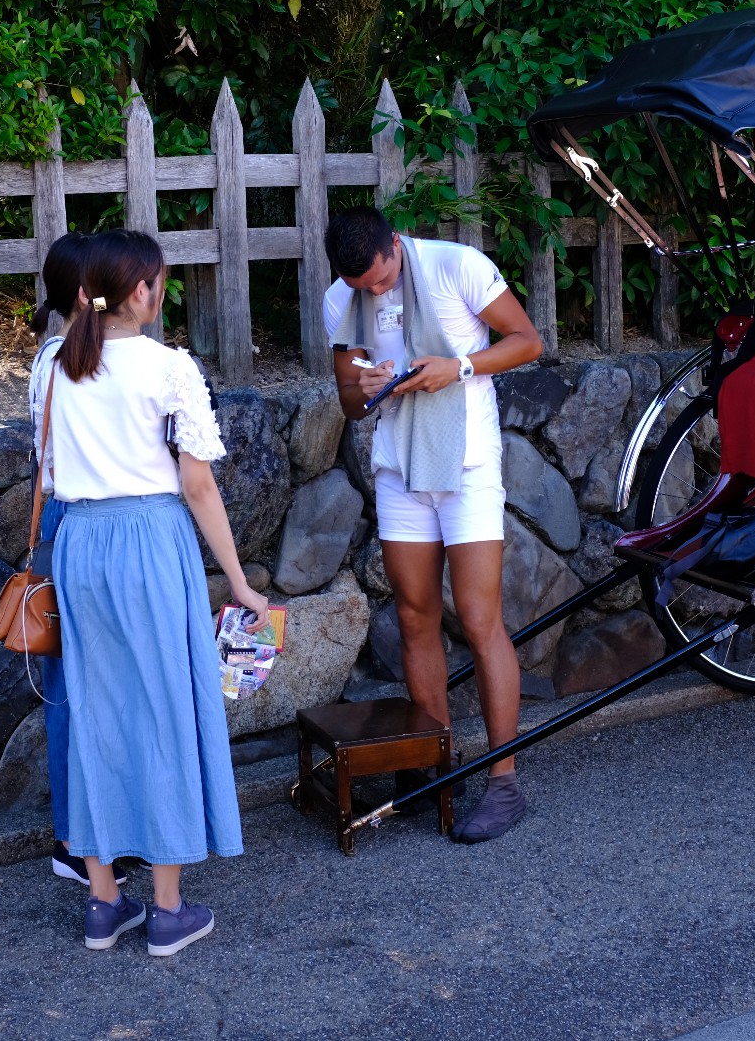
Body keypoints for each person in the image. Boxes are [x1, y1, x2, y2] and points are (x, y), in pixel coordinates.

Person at [35, 228, 270, 956]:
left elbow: (47, 471)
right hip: (148, 539)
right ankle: (167, 909)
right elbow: (197, 484)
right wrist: (238, 579)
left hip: (80, 544)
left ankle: (104, 902)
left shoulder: (51, 362)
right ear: (140, 289)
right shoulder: (168, 367)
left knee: (95, 710)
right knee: (166, 708)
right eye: (157, 280)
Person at [323, 206, 543, 843]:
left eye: (381, 279)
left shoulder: (456, 267)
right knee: (415, 617)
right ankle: (430, 764)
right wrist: (361, 385)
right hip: (399, 468)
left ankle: (503, 782)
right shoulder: (343, 296)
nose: (375, 292)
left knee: (478, 618)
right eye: (362, 287)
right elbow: (347, 399)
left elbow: (527, 341)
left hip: (468, 463)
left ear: (396, 244)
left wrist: (461, 366)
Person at [25, 231, 107, 889]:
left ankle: (93, 831)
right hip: (76, 520)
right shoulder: (65, 358)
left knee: (94, 687)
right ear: (85, 292)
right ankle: (74, 837)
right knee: (70, 693)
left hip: (74, 519)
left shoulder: (68, 354)